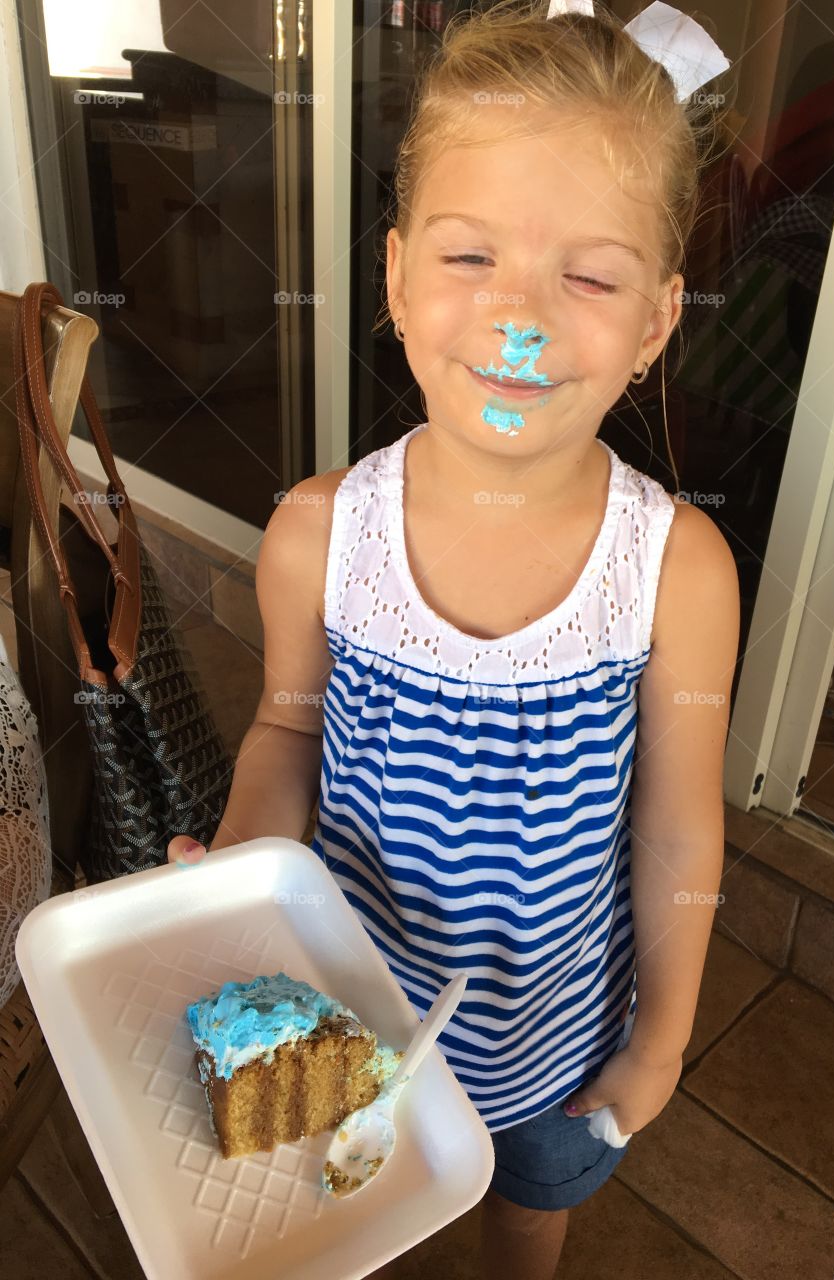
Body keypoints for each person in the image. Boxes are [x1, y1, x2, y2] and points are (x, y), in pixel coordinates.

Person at [168, 4, 740, 1277]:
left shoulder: (676, 571)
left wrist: (662, 1037)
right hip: (341, 1012)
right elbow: (286, 727)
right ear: (394, 276)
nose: (518, 319)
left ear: (655, 320)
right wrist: (249, 866)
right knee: (333, 1214)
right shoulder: (321, 536)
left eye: (588, 276)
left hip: (555, 1046)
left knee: (524, 1224)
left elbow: (678, 824)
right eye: (470, 257)